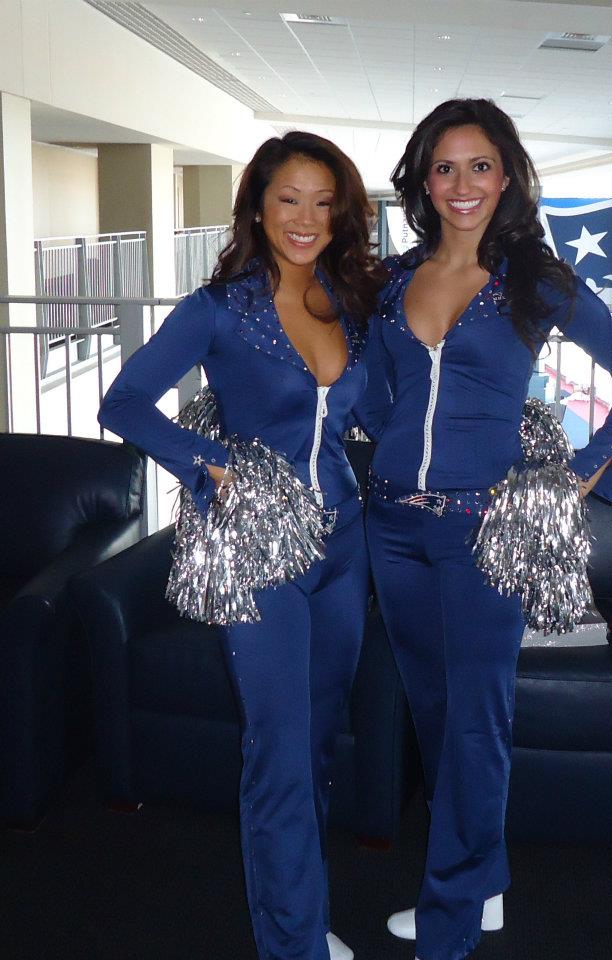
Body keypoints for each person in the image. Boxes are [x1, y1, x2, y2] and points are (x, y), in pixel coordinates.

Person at [358, 98, 612, 960]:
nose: (463, 184)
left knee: (476, 722)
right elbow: (370, 394)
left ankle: (451, 925)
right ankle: (480, 882)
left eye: (481, 166)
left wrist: (581, 473)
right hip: (392, 525)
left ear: (507, 178)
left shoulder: (536, 280)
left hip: (483, 533)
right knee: (432, 711)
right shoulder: (393, 281)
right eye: (445, 167)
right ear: (424, 181)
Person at [98, 131, 386, 960]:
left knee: (318, 740)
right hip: (257, 547)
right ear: (258, 206)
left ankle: (299, 913)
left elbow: (375, 414)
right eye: (288, 198)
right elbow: (124, 402)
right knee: (279, 751)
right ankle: (292, 945)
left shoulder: (348, 300)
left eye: (323, 202)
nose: (305, 217)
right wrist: (209, 463)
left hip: (343, 542)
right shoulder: (219, 308)